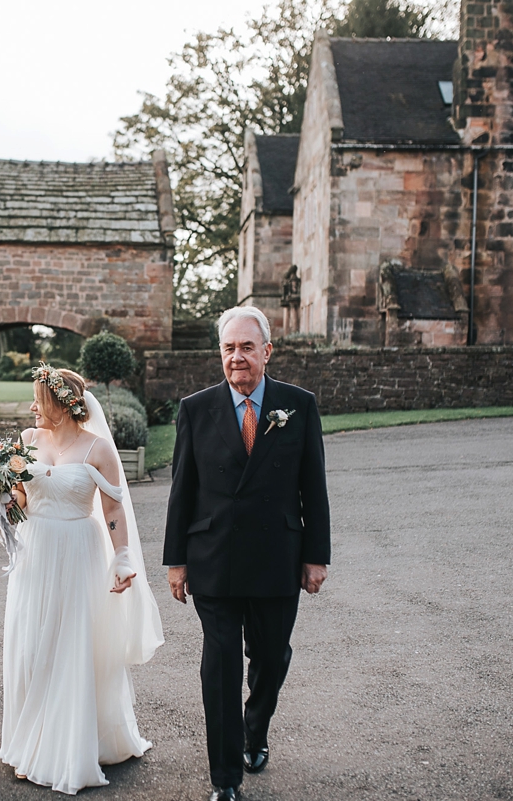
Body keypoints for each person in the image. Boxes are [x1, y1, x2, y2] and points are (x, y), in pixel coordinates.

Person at [163, 306, 330, 801]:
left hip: (278, 557)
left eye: (246, 347)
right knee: (219, 668)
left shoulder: (298, 406)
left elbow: (313, 489)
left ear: (267, 351)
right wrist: (176, 561)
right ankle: (225, 779)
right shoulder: (196, 409)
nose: (237, 357)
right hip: (213, 558)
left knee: (271, 659)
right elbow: (181, 492)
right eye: (228, 348)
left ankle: (255, 731)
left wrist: (316, 556)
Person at [0, 365, 164, 795]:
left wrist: (123, 558)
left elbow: (112, 511)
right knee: (31, 645)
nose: (32, 407)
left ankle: (64, 745)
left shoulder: (97, 449)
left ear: (61, 403)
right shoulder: (27, 441)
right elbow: (20, 498)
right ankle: (29, 742)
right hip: (34, 552)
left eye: (39, 399)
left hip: (78, 552)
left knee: (69, 646)